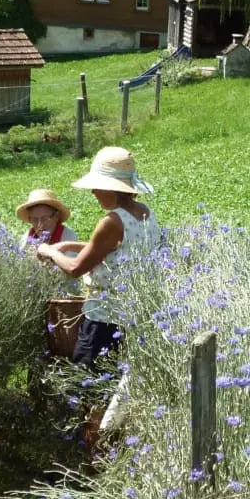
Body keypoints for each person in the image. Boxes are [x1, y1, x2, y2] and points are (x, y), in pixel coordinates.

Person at [37, 146, 160, 371]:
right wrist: (69, 245)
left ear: (111, 189)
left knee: (88, 386)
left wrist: (50, 251)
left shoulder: (112, 221)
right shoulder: (144, 211)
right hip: (134, 314)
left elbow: (74, 268)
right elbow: (122, 251)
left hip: (104, 317)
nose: (93, 192)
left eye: (97, 187)